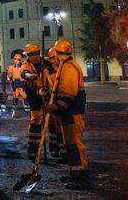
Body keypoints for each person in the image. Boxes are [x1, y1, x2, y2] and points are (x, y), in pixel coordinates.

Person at [46, 39, 92, 190]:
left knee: (76, 146)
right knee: (71, 146)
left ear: (59, 54)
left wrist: (55, 107)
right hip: (69, 113)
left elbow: (69, 93)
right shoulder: (66, 66)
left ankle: (81, 178)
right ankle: (75, 174)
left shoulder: (69, 67)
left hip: (73, 113)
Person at [20, 43, 54, 160]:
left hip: (47, 94)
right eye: (31, 55)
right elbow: (23, 72)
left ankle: (54, 149)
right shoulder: (27, 64)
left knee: (51, 120)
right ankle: (33, 149)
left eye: (36, 54)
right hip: (34, 96)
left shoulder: (46, 63)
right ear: (28, 56)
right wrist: (30, 76)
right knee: (36, 121)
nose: (34, 57)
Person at [46, 47, 67, 162]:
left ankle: (64, 152)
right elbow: (41, 86)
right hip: (51, 103)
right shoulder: (47, 72)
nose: (55, 59)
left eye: (56, 56)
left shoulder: (65, 69)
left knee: (63, 130)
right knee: (53, 129)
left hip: (63, 104)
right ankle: (53, 148)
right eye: (52, 57)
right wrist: (43, 91)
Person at [7, 53, 28, 117]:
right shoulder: (11, 67)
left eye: (19, 60)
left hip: (22, 84)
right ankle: (14, 112)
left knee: (25, 98)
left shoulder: (23, 66)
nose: (17, 61)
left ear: (20, 60)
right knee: (15, 98)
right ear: (14, 60)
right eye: (16, 59)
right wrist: (9, 78)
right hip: (15, 84)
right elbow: (8, 76)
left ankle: (28, 112)